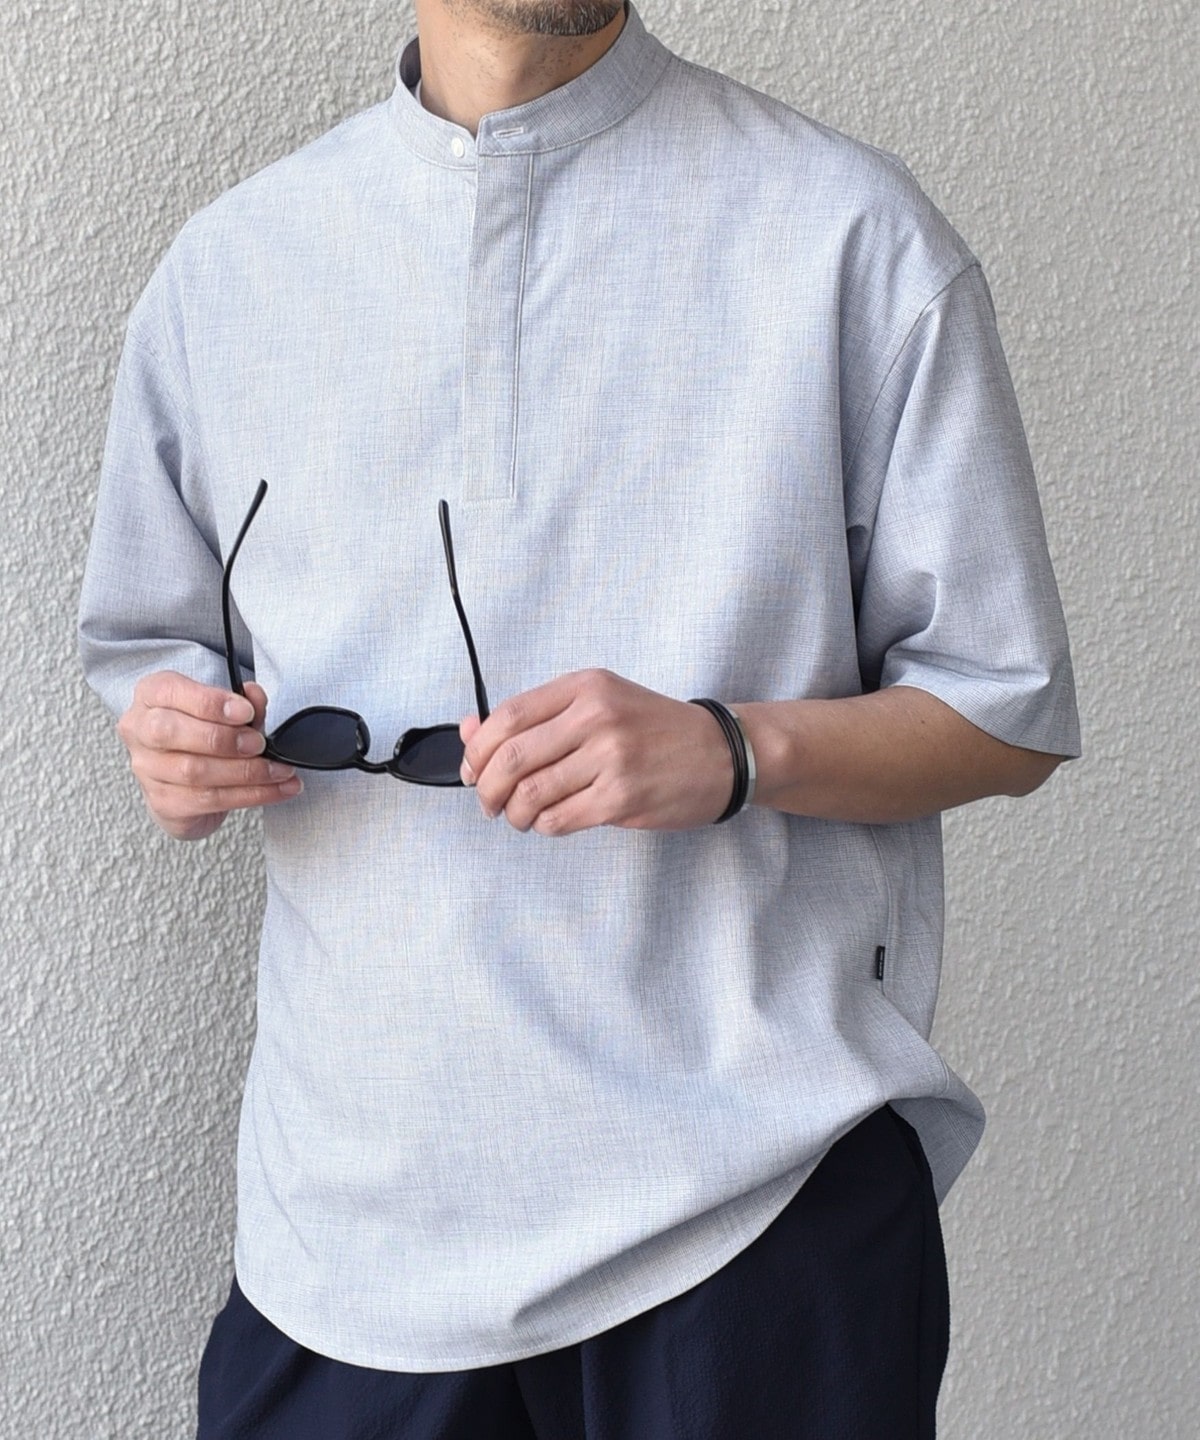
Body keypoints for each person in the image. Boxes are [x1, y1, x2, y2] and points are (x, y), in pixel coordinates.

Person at [79, 2, 1080, 1435]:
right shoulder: (227, 275)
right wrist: (176, 750)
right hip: (348, 1238)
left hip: (756, 1220)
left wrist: (734, 751)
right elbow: (151, 652)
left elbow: (1008, 711)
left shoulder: (850, 237)